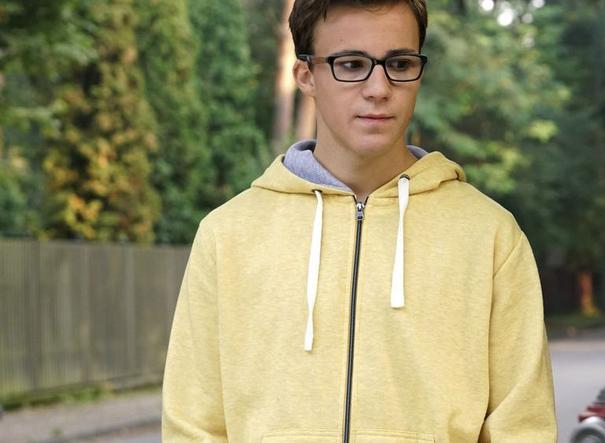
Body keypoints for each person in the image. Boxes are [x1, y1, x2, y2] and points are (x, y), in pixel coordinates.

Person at [161, 1, 556, 441]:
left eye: (399, 64)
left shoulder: (489, 235)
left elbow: (523, 427)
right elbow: (193, 424)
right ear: (306, 76)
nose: (379, 88)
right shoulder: (228, 234)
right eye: (351, 64)